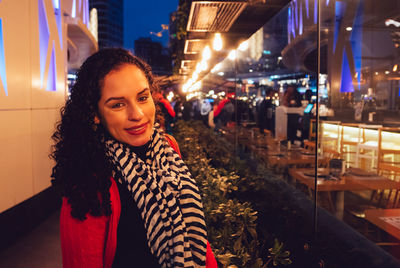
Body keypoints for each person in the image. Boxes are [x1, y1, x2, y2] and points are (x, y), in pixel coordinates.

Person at [50, 48, 217, 268]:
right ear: (95, 114)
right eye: (118, 104)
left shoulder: (167, 148)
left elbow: (193, 233)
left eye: (142, 97)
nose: (137, 114)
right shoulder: (88, 178)